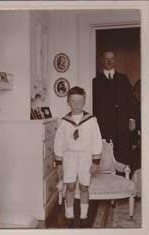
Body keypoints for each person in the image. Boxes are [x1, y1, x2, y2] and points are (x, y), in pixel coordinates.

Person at [54, 86, 102, 228]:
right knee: (69, 186)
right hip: (69, 157)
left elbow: (97, 140)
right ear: (68, 102)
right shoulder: (64, 122)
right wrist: (59, 163)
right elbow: (59, 142)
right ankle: (69, 216)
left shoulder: (91, 120)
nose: (76, 104)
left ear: (84, 101)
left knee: (84, 187)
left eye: (79, 101)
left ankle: (83, 216)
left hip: (85, 157)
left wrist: (95, 162)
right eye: (73, 101)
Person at [93, 50, 137, 166]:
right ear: (102, 60)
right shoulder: (96, 80)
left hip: (121, 124)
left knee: (122, 153)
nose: (109, 61)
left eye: (111, 58)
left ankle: (122, 179)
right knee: (106, 154)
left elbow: (130, 100)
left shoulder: (123, 79)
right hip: (104, 124)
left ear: (115, 61)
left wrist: (132, 118)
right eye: (106, 58)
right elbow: (94, 104)